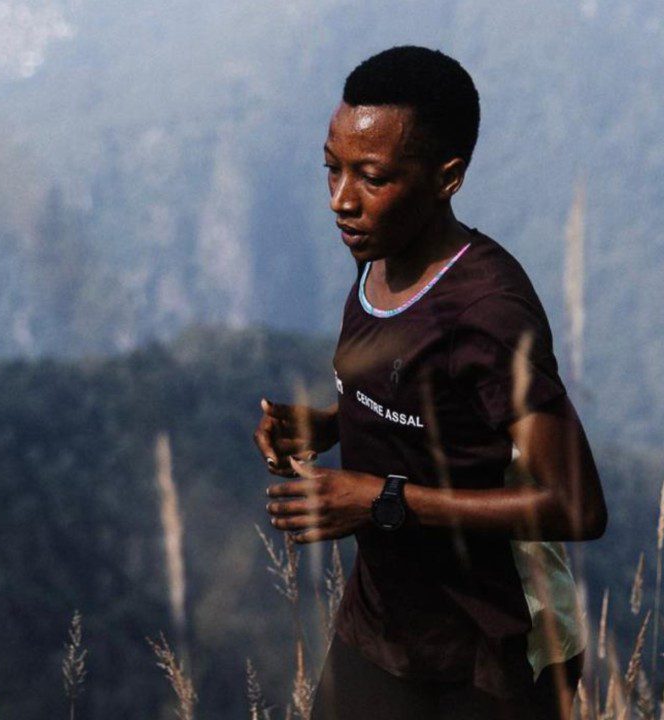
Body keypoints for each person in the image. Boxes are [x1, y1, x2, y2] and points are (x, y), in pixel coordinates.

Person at [252, 45, 607, 720]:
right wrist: (331, 423)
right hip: (381, 632)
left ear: (448, 178)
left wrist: (384, 501)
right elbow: (426, 398)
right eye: (332, 168)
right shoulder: (377, 258)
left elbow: (577, 506)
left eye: (372, 177)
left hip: (493, 652)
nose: (341, 200)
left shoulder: (488, 312)